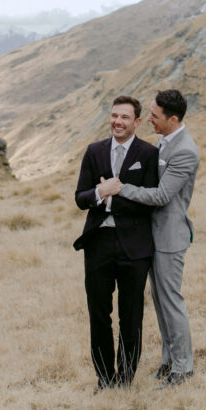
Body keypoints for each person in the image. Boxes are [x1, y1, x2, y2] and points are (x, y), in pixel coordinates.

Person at [97, 89, 199, 387]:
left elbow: (162, 195)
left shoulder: (185, 150)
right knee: (160, 301)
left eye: (155, 116)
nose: (150, 120)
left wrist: (119, 188)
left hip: (169, 237)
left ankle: (183, 368)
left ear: (173, 118)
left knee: (171, 302)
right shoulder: (165, 142)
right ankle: (169, 363)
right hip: (153, 235)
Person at [73, 95, 159, 390]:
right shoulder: (93, 151)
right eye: (114, 116)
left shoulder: (148, 154)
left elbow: (149, 202)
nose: (117, 122)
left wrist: (114, 195)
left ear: (136, 122)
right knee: (98, 314)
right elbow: (80, 198)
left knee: (131, 316)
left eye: (124, 117)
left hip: (134, 247)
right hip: (98, 243)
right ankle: (104, 378)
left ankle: (125, 379)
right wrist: (99, 192)